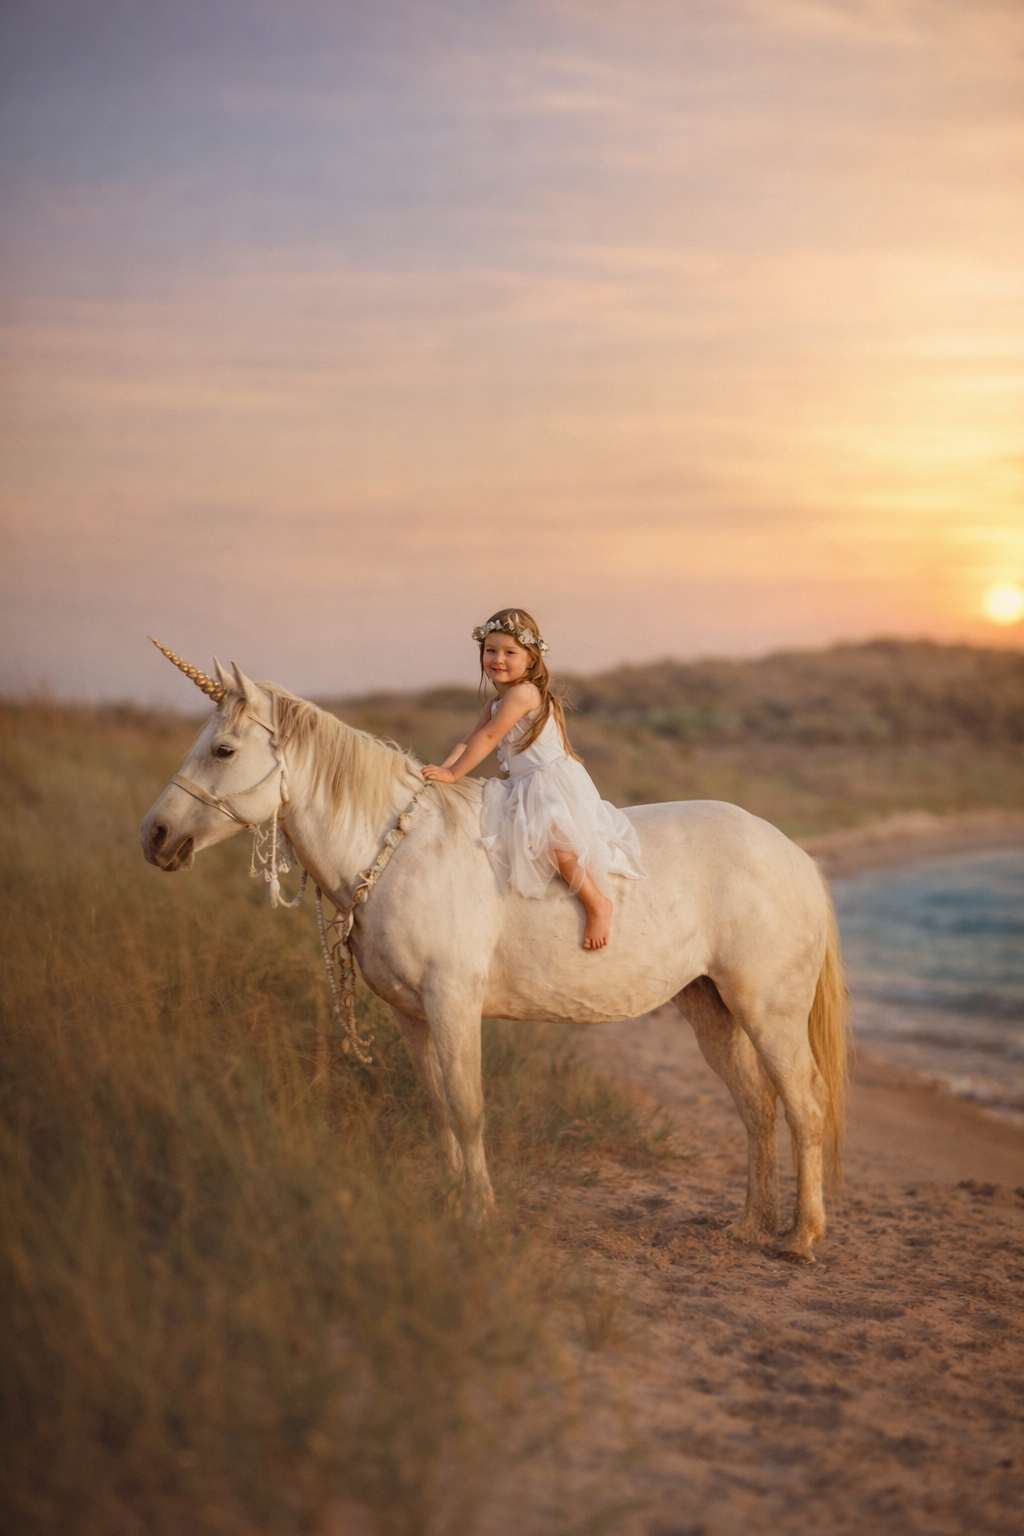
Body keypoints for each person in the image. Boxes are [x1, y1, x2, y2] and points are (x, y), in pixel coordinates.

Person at [421, 608, 646, 949]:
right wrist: (440, 772)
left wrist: (455, 773)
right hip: (522, 785)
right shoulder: (498, 701)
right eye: (491, 650)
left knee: (556, 842)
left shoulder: (524, 694)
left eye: (510, 652)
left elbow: (488, 739)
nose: (498, 659)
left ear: (530, 659)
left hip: (549, 783)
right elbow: (469, 739)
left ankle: (597, 903)